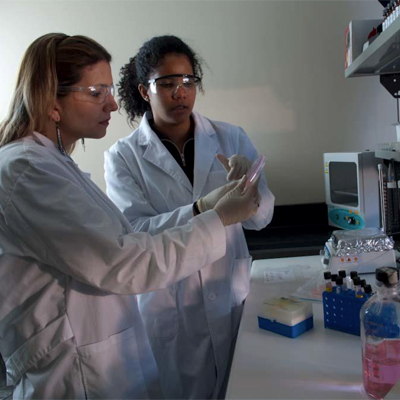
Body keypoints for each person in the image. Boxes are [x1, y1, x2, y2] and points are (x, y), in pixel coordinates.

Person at [0, 33, 260, 400]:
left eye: (108, 90)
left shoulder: (52, 165)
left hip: (103, 359)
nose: (111, 104)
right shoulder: (27, 171)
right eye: (96, 92)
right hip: (74, 374)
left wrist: (204, 208)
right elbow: (124, 260)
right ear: (51, 102)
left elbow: (126, 240)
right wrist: (216, 219)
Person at [104, 35, 275, 399]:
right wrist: (200, 210)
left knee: (242, 387)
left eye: (188, 82)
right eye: (166, 83)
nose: (180, 93)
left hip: (229, 294)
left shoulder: (230, 137)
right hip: (171, 306)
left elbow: (260, 219)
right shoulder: (122, 157)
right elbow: (136, 232)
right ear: (144, 90)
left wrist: (252, 187)